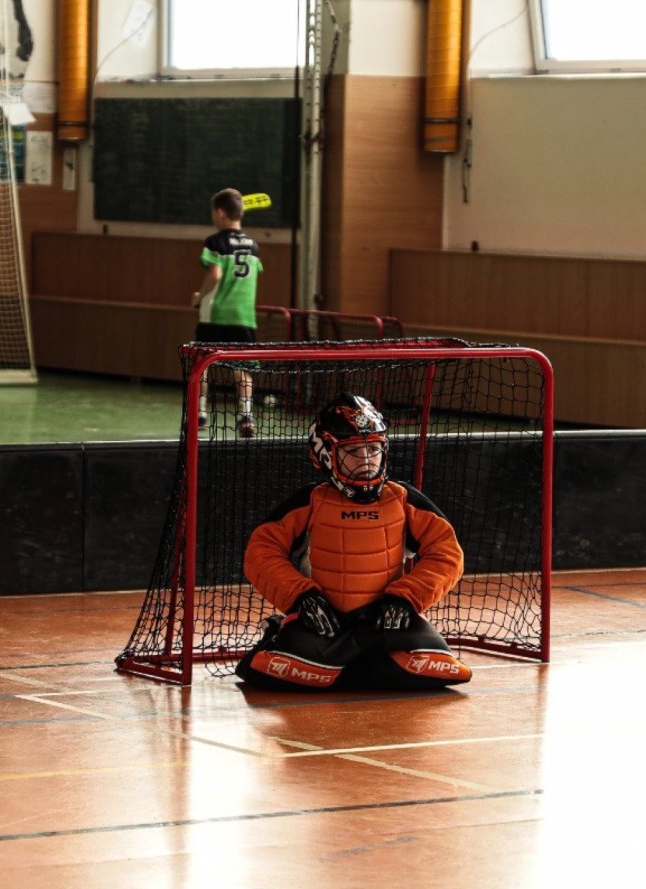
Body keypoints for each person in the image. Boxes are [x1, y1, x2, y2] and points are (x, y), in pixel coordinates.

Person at [235, 393, 473, 691]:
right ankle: (314, 648)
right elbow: (261, 552)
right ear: (324, 455)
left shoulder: (402, 499)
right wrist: (300, 597)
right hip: (323, 622)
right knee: (266, 669)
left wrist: (406, 598)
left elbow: (447, 554)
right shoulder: (309, 501)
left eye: (373, 449)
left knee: (446, 671)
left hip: (387, 620)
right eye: (353, 451)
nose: (366, 460)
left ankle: (338, 665)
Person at [192, 187, 263, 438]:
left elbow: (215, 274)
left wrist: (200, 296)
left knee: (201, 364)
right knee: (242, 368)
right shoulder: (254, 246)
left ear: (221, 213)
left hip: (216, 313)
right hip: (244, 316)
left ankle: (200, 415)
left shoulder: (215, 242)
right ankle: (246, 417)